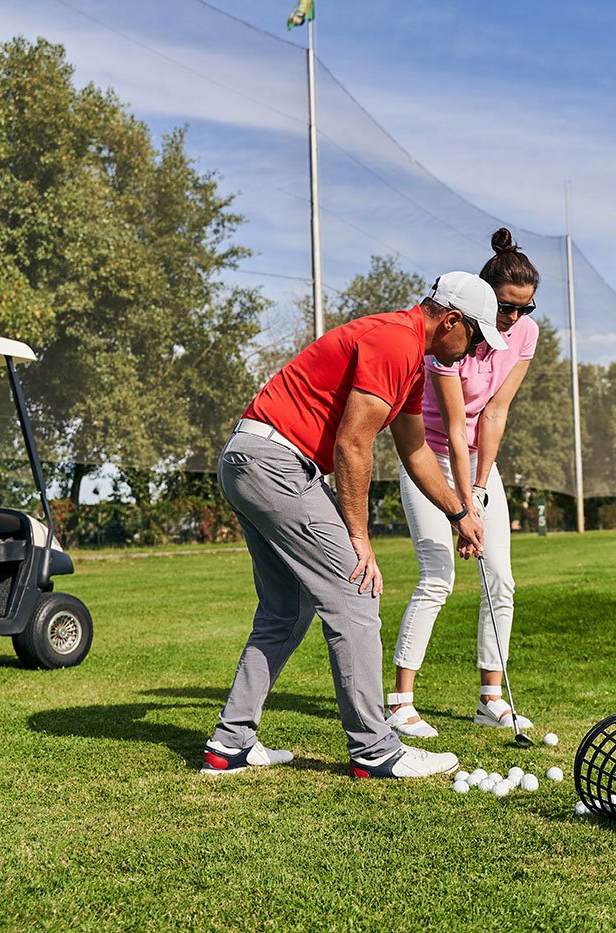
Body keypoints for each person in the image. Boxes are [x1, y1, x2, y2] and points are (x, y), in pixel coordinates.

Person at [202, 271, 507, 779]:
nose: (474, 352)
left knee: (286, 610)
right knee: (357, 590)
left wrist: (459, 512)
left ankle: (228, 745)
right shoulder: (394, 341)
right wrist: (358, 538)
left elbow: (414, 450)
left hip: (251, 460)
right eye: (475, 337)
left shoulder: (412, 361)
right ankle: (374, 749)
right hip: (275, 462)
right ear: (451, 320)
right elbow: (353, 444)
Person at [387, 229, 540, 738]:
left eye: (525, 308)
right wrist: (461, 510)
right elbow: (453, 427)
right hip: (427, 456)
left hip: (479, 461)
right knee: (439, 573)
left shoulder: (524, 335)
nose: (514, 317)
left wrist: (477, 491)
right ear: (483, 295)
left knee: (501, 577)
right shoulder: (449, 337)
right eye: (505, 306)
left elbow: (494, 414)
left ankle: (490, 698)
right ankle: (401, 703)